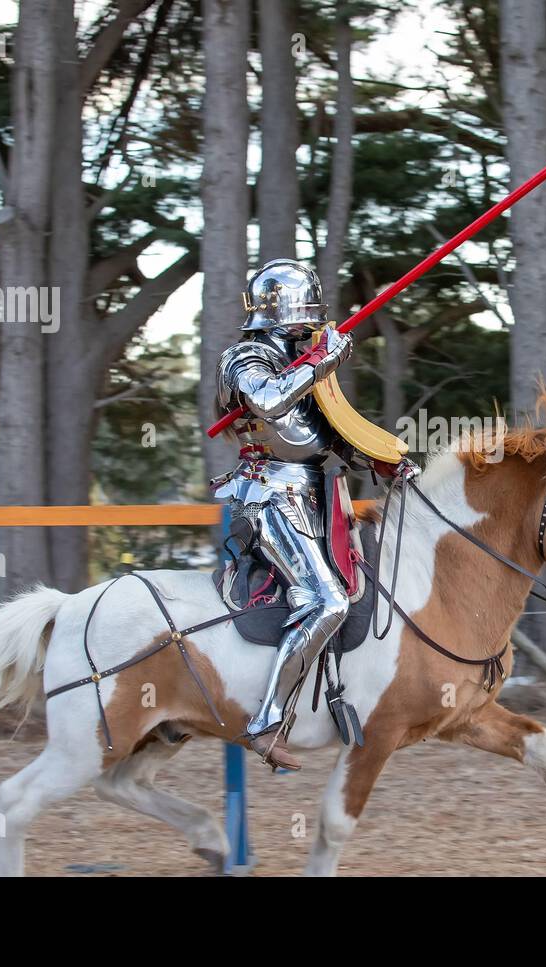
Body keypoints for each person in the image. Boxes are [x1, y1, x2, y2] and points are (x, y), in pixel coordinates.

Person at [213, 258, 407, 770]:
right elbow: (270, 403)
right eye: (302, 315)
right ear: (280, 311)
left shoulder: (303, 363)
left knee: (358, 586)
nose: (308, 324)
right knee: (324, 601)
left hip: (318, 493)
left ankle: (338, 695)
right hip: (270, 494)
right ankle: (266, 721)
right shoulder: (247, 357)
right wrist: (320, 361)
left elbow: (328, 433)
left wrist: (381, 461)